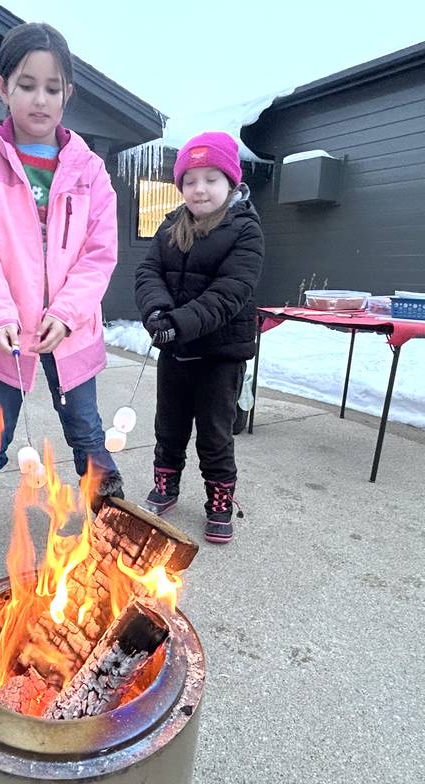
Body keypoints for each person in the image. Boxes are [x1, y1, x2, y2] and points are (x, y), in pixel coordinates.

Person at [0, 22, 123, 599]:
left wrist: (67, 312)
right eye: (26, 85)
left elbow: (99, 253)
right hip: (3, 333)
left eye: (52, 87)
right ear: (3, 88)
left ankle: (114, 533)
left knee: (87, 432)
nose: (39, 99)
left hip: (71, 331)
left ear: (68, 92)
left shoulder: (89, 169)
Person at [134, 132, 264, 544]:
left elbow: (229, 292)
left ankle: (219, 501)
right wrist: (157, 312)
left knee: (214, 434)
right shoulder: (171, 224)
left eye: (211, 179)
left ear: (230, 182)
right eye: (190, 180)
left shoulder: (245, 230)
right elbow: (149, 272)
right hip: (175, 350)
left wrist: (179, 322)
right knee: (168, 425)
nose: (200, 189)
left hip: (219, 355)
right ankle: (166, 485)